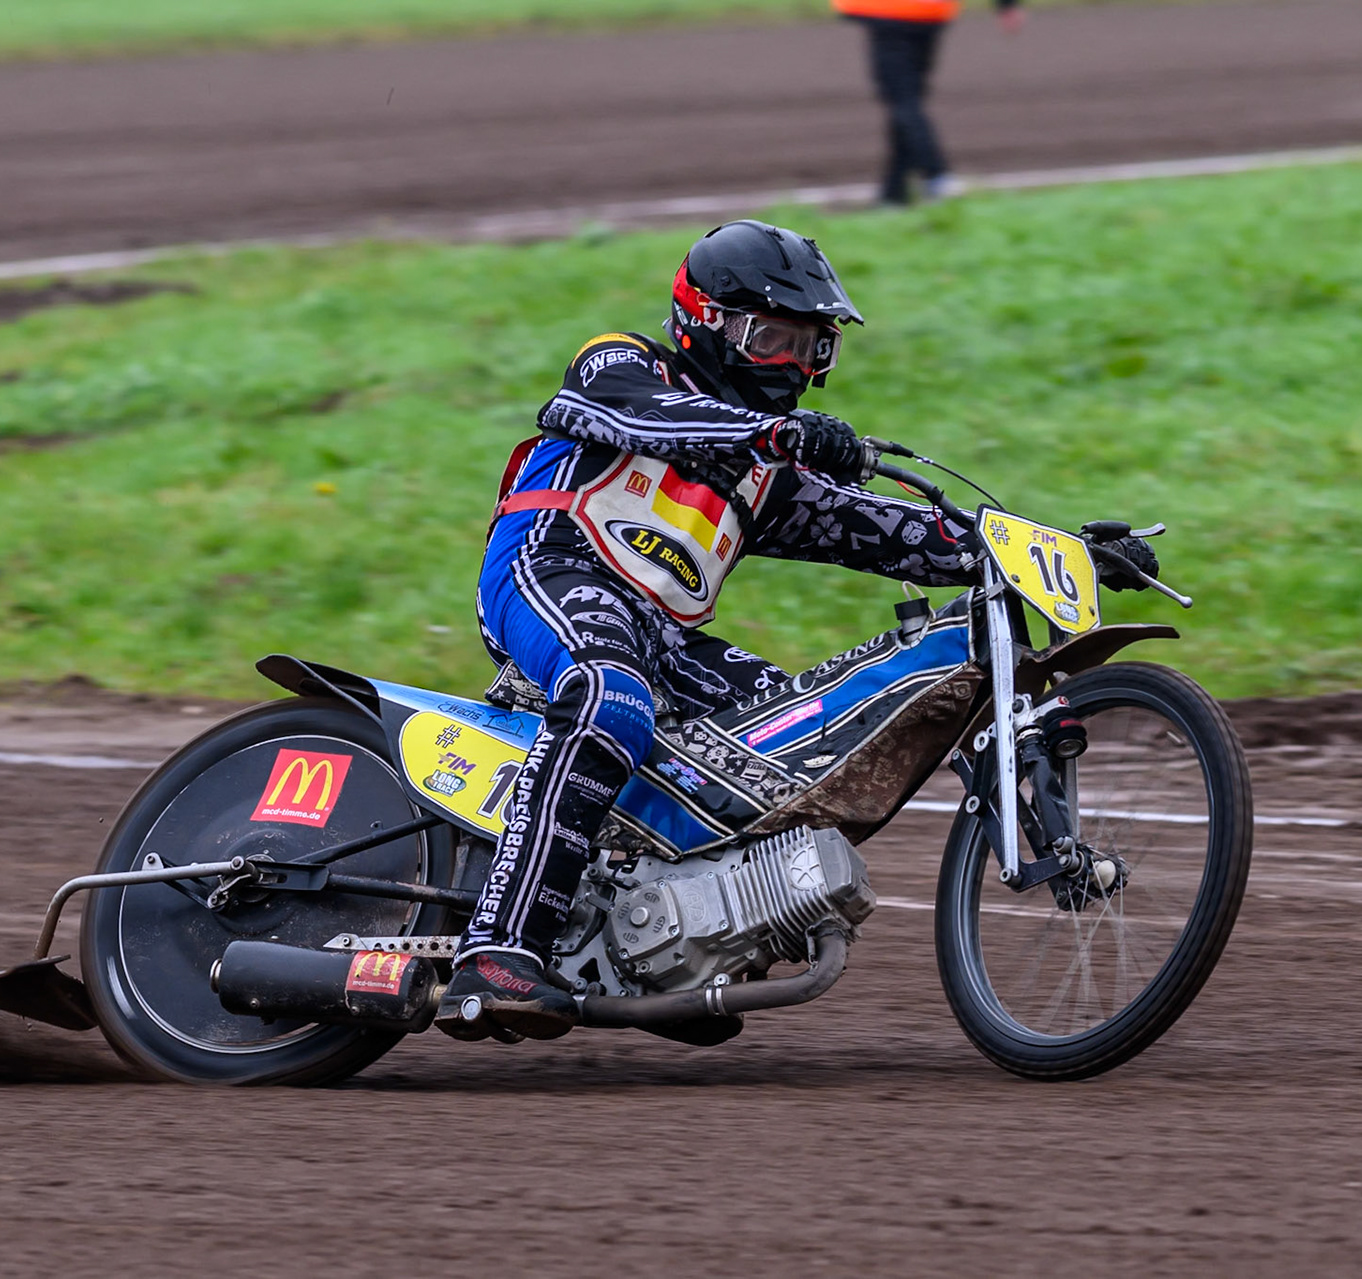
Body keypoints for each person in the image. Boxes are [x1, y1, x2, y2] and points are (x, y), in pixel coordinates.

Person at [437, 220, 1154, 1042]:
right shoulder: (620, 363)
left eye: (812, 348)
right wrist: (768, 435)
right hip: (551, 566)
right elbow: (646, 417)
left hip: (660, 633)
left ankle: (662, 953)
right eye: (771, 338)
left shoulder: (767, 476)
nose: (792, 367)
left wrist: (1063, 550)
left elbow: (895, 531)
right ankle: (497, 949)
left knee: (791, 744)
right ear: (702, 321)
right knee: (612, 696)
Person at [832, 0, 1025, 205]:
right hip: (930, 12)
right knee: (908, 99)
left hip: (889, 12)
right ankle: (894, 193)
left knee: (903, 100)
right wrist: (1007, 5)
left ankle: (936, 174)